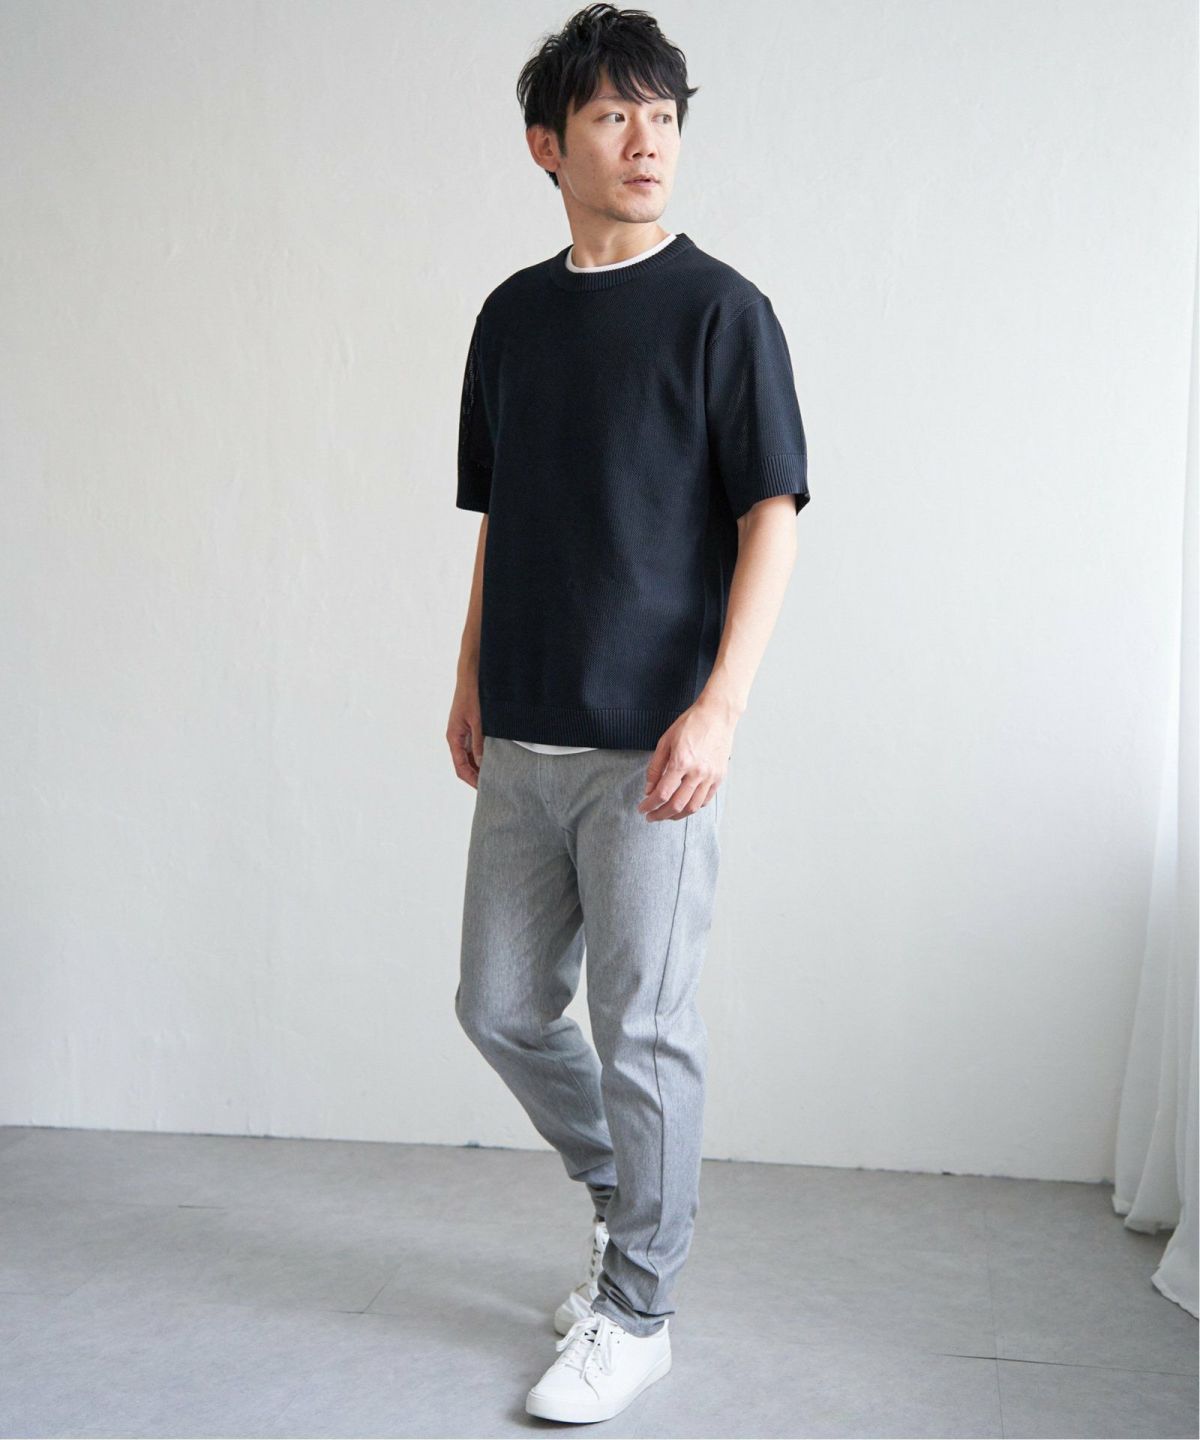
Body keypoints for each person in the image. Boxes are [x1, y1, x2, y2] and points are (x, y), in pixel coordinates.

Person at [447, 2, 809, 1423]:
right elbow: (501, 517)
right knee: (497, 1006)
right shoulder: (510, 318)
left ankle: (641, 1312)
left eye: (664, 114)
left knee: (645, 1030)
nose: (648, 139)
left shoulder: (723, 312)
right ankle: (620, 1200)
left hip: (655, 745)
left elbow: (772, 518)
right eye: (613, 115)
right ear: (550, 145)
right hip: (525, 732)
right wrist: (471, 677)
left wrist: (721, 707)